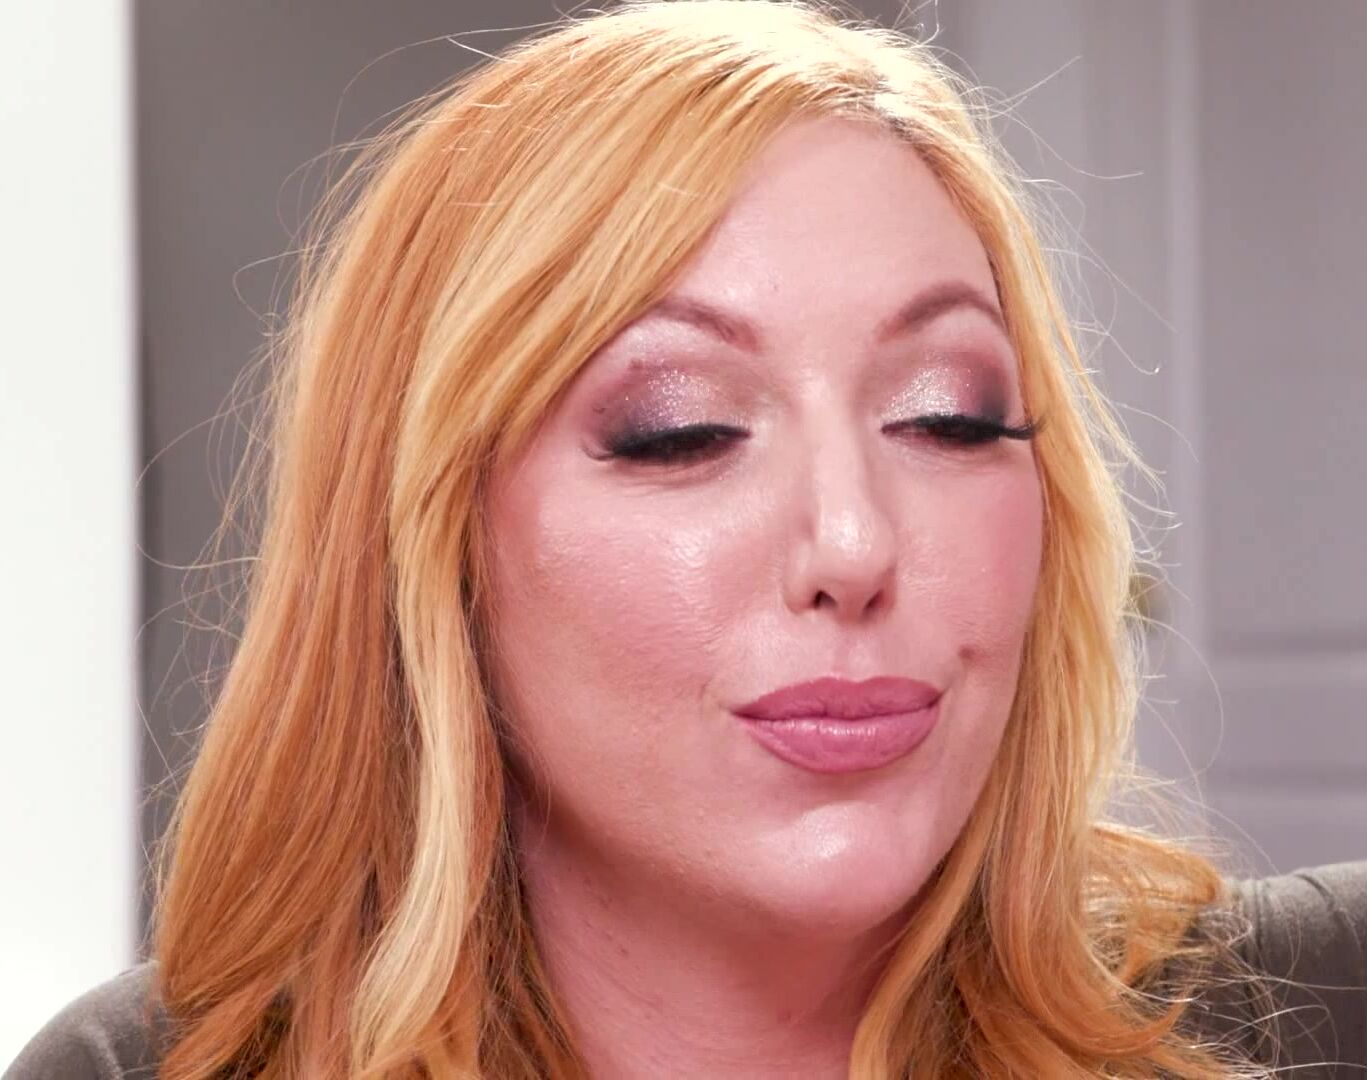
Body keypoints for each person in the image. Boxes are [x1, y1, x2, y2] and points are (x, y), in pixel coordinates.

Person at [9, 1, 1292, 1075]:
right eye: (681, 431)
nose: (853, 544)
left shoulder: (1343, 1012)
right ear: (439, 548)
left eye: (944, 416)